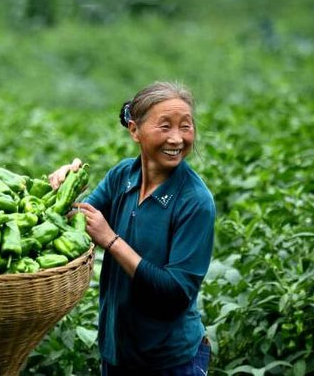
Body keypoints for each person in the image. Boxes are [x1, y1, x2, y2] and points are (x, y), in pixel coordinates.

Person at [49, 81, 215, 375]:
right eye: (165, 127)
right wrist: (65, 187)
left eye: (185, 127)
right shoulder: (123, 176)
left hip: (170, 362)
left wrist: (111, 241)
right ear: (134, 130)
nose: (177, 139)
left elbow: (176, 293)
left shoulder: (194, 201)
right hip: (117, 353)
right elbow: (72, 221)